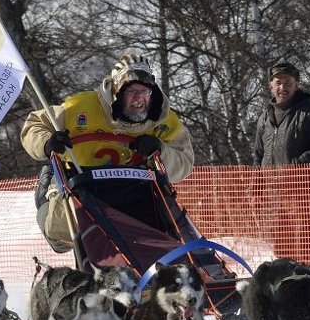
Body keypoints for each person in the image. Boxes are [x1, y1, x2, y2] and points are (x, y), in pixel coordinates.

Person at [20, 53, 195, 240]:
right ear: (116, 92)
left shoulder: (165, 121)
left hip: (134, 193)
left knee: (163, 230)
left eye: (144, 91)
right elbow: (34, 123)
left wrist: (161, 150)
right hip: (81, 186)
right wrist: (47, 142)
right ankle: (45, 200)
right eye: (131, 91)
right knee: (62, 230)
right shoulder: (81, 107)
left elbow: (184, 162)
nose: (138, 99)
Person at [251, 61, 310, 262]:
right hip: (275, 197)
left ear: (296, 84)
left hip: (304, 196)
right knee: (282, 253)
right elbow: (258, 155)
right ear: (270, 86)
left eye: (288, 82)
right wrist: (257, 187)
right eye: (278, 82)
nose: (283, 87)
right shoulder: (265, 117)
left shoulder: (309, 113)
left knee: (309, 251)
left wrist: (299, 164)